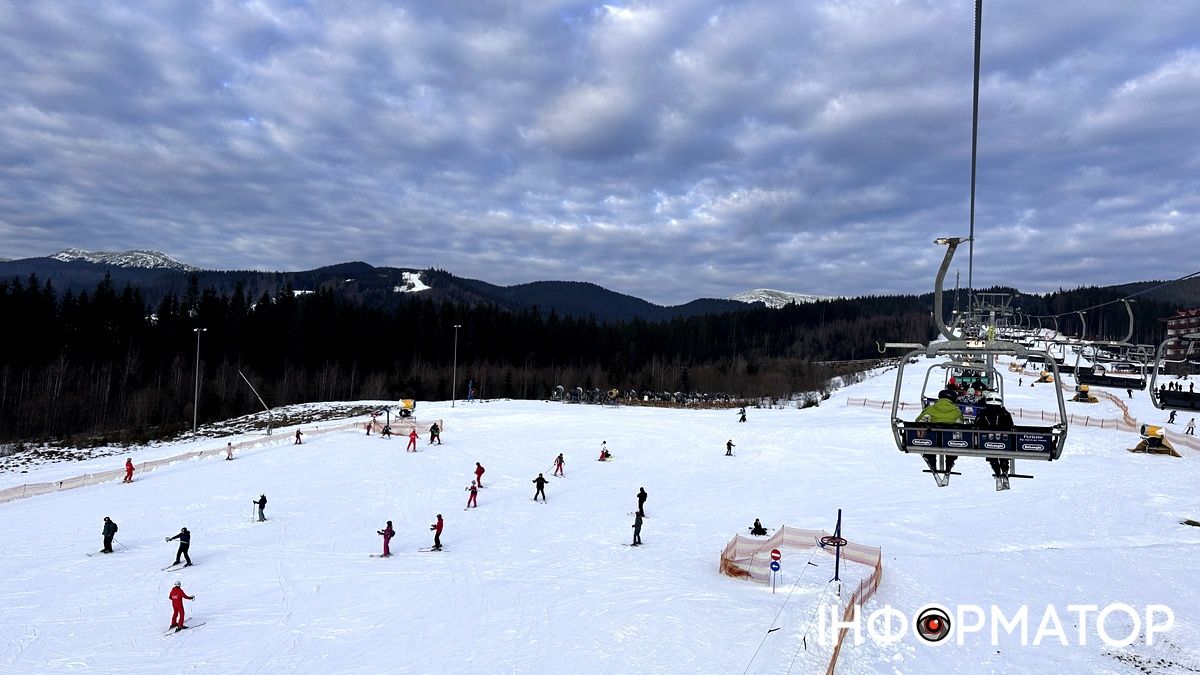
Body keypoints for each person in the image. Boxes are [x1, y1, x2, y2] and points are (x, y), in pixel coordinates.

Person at [916, 389, 964, 483]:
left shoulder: (930, 409)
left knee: (929, 439)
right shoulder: (957, 412)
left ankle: (930, 460)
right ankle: (949, 464)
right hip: (950, 443)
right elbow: (961, 425)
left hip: (932, 442)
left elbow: (918, 422)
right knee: (953, 441)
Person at [975, 393, 1015, 491]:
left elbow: (976, 426)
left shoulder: (982, 413)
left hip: (987, 443)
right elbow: (1011, 426)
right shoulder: (1005, 413)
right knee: (1003, 452)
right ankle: (1004, 471)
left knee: (992, 452)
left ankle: (997, 473)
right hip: (1004, 444)